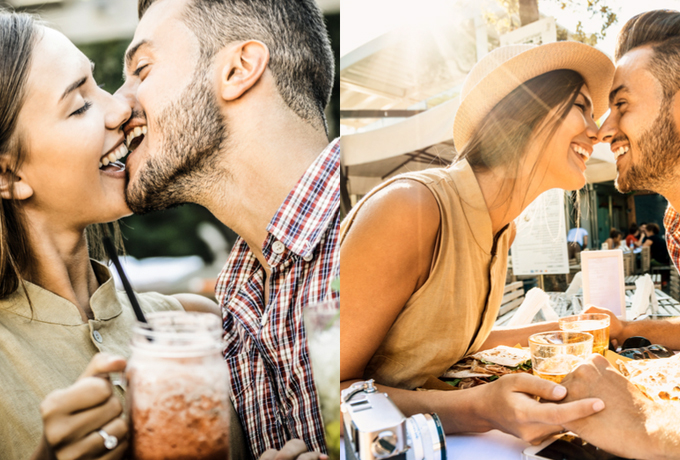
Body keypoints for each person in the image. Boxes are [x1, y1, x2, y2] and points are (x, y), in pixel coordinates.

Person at [0, 12, 254, 460]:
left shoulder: (194, 324)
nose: (120, 108)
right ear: (8, 174)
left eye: (97, 84)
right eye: (79, 106)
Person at [341, 41, 613, 443]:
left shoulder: (503, 229)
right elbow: (322, 389)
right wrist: (479, 408)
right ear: (525, 112)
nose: (598, 130)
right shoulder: (412, 208)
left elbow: (450, 342)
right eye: (582, 108)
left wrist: (572, 329)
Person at [114, 0, 339, 457]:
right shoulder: (238, 291)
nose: (117, 107)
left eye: (142, 69)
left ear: (238, 69)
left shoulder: (369, 230)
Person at [565, 10, 680, 459]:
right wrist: (629, 327)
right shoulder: (674, 224)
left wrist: (641, 423)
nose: (603, 130)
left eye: (622, 105)